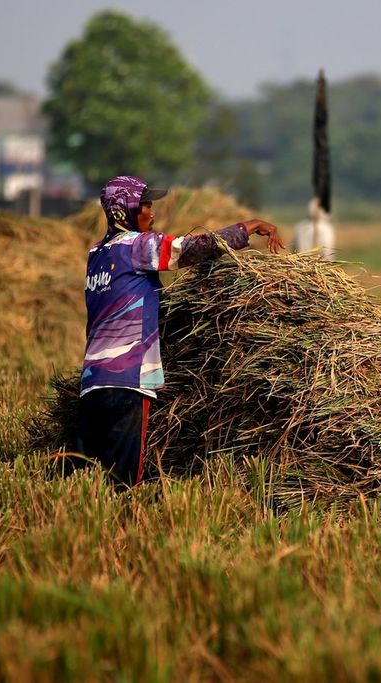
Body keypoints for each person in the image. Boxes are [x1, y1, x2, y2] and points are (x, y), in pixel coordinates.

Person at [75, 175, 284, 487]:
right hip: (128, 384)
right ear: (127, 209)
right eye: (145, 205)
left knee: (88, 482)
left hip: (92, 385)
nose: (151, 212)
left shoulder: (97, 255)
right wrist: (248, 227)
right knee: (123, 483)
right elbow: (193, 249)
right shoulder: (138, 246)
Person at [291, 196, 335, 260]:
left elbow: (294, 250)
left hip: (302, 264)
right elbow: (328, 251)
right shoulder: (327, 229)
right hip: (320, 265)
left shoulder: (300, 227)